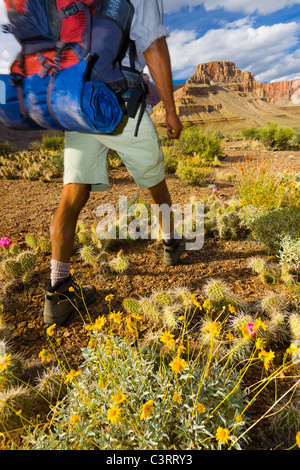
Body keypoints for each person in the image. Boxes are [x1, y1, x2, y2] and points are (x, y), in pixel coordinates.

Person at [43, 0, 184, 326]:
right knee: (154, 181)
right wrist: (171, 110)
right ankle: (171, 244)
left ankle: (57, 289)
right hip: (119, 101)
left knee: (72, 195)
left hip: (77, 102)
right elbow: (153, 43)